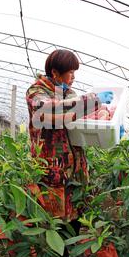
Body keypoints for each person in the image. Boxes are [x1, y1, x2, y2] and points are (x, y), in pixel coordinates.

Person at [25, 49, 114, 236]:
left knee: (74, 215)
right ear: (55, 73)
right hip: (52, 170)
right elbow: (50, 114)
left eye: (75, 73)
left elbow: (81, 120)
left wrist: (108, 125)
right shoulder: (36, 92)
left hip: (75, 169)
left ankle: (68, 256)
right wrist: (93, 100)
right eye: (70, 73)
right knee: (53, 219)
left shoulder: (69, 93)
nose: (73, 77)